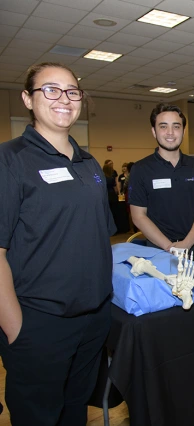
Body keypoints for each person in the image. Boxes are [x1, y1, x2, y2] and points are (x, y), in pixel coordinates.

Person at [0, 62, 116, 425]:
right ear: (27, 99)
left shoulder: (90, 164)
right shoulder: (10, 160)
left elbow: (98, 237)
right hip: (38, 323)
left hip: (92, 320)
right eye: (50, 90)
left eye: (72, 91)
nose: (64, 99)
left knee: (75, 409)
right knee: (38, 415)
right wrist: (16, 328)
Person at [128, 103, 194, 259]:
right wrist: (169, 247)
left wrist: (186, 243)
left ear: (183, 131)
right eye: (163, 126)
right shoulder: (140, 169)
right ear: (154, 131)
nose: (170, 133)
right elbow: (138, 216)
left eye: (176, 126)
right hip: (158, 253)